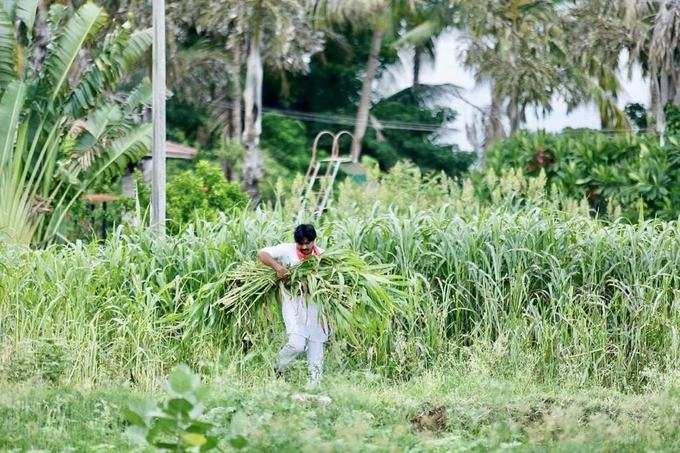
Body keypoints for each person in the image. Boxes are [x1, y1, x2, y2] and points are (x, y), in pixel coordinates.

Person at [257, 224, 327, 387]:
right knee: (297, 344)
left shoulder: (323, 256)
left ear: (314, 241)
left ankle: (313, 390)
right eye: (300, 244)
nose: (304, 247)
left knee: (316, 350)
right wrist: (278, 267)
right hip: (293, 304)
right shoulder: (287, 250)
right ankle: (276, 368)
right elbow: (262, 253)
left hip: (316, 307)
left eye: (307, 243)